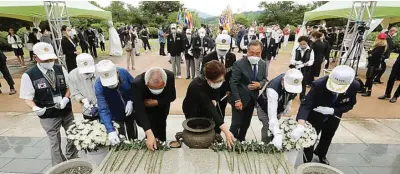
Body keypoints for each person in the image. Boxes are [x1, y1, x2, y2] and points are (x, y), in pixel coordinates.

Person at [19, 42, 77, 166]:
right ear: (35, 58)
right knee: (54, 142)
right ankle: (60, 165)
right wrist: (34, 107)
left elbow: (70, 86)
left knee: (73, 134)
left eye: (51, 58)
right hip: (48, 115)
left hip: (65, 110)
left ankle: (73, 157)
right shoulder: (29, 75)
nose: (49, 61)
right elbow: (27, 97)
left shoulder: (60, 68)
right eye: (46, 59)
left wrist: (66, 98)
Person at [292, 65, 359, 165]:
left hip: (334, 116)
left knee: (328, 136)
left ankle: (321, 154)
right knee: (311, 138)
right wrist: (301, 123)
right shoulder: (318, 84)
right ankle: (307, 160)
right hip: (315, 116)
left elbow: (350, 104)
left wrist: (333, 111)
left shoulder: (354, 86)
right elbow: (306, 104)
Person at [183, 60, 235, 147]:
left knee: (209, 124)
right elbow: (211, 109)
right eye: (218, 81)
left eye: (222, 80)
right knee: (197, 130)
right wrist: (226, 131)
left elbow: (217, 91)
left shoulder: (216, 79)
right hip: (193, 109)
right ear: (208, 78)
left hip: (206, 105)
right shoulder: (197, 86)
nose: (221, 82)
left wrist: (215, 99)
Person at [230, 40, 267, 142]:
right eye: (252, 53)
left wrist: (260, 84)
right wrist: (237, 100)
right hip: (240, 99)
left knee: (246, 122)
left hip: (252, 99)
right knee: (236, 123)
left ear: (261, 52)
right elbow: (233, 82)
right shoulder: (239, 64)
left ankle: (241, 139)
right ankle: (231, 140)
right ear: (247, 51)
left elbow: (264, 78)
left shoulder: (263, 64)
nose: (254, 55)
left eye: (257, 53)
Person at [257, 69, 303, 148]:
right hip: (265, 107)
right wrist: (277, 134)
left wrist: (288, 103)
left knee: (275, 126)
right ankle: (265, 144)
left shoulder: (293, 80)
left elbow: (291, 95)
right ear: (283, 81)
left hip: (279, 106)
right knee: (268, 126)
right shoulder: (273, 89)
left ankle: (272, 140)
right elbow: (272, 115)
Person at [132, 67, 176, 150]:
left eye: (159, 88)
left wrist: (157, 101)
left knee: (161, 125)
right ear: (146, 83)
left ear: (165, 83)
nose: (156, 90)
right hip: (146, 108)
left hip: (162, 106)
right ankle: (150, 141)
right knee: (149, 127)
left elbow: (172, 96)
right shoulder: (137, 83)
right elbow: (139, 109)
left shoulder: (170, 76)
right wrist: (148, 131)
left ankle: (161, 144)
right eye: (152, 88)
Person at [95, 60, 137, 144]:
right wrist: (110, 130)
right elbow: (103, 109)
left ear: (117, 73)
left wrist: (131, 100)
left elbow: (136, 89)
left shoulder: (124, 73)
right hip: (114, 112)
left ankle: (134, 142)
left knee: (133, 133)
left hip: (130, 110)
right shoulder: (98, 85)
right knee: (120, 137)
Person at [201, 34, 236, 123]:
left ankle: (218, 132)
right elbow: (203, 76)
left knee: (221, 113)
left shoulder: (232, 57)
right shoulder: (207, 58)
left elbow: (232, 74)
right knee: (209, 113)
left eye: (225, 49)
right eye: (220, 49)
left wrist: (229, 90)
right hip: (211, 91)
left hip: (224, 93)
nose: (222, 51)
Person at [68, 53, 98, 120]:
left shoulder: (101, 70)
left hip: (106, 110)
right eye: (85, 72)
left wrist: (101, 100)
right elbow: (75, 93)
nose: (87, 73)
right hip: (87, 111)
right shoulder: (72, 75)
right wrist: (82, 99)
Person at [290, 36, 315, 101]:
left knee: (303, 83)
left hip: (305, 69)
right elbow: (292, 59)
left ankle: (302, 96)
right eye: (301, 44)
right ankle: (293, 94)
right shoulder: (296, 49)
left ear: (307, 43)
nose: (302, 45)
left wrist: (305, 64)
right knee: (295, 81)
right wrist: (296, 62)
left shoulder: (310, 50)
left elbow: (311, 60)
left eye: (304, 44)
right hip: (297, 69)